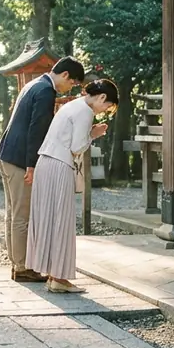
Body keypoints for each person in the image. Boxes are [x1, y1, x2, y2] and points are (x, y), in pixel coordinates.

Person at [0, 57, 85, 282]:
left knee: (13, 213)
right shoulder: (46, 91)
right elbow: (36, 130)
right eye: (72, 82)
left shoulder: (33, 84)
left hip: (7, 154)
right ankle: (23, 267)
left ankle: (17, 263)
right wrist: (32, 165)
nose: (69, 87)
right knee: (22, 215)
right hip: (19, 160)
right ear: (65, 75)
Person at [26, 78, 119, 293]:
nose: (103, 111)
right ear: (102, 97)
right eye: (106, 106)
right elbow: (77, 147)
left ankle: (52, 273)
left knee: (47, 219)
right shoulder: (85, 111)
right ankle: (59, 278)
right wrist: (93, 135)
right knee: (61, 221)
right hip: (59, 166)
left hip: (45, 162)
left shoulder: (71, 105)